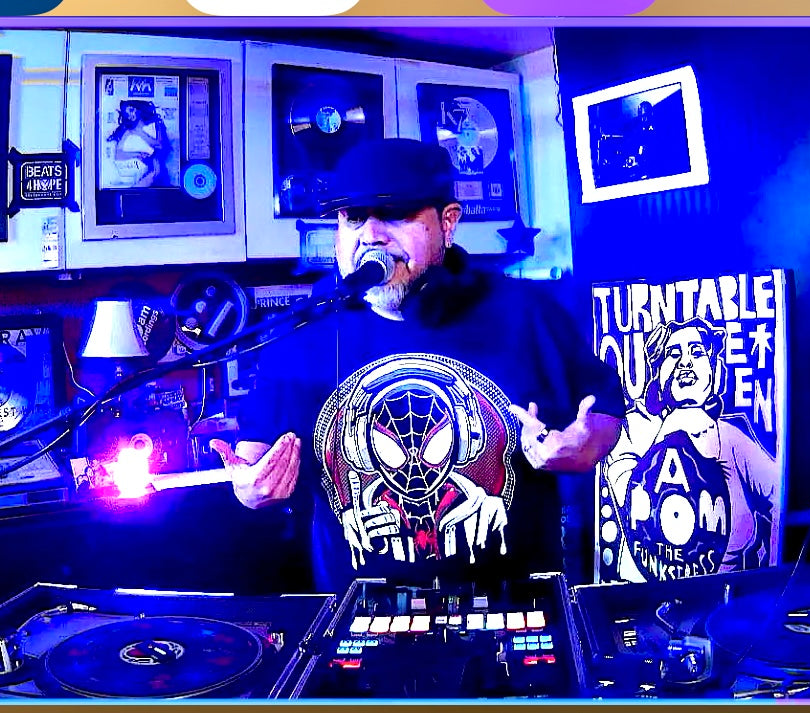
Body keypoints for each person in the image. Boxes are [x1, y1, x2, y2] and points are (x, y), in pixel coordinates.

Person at [211, 138, 625, 594]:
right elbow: (255, 455)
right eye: (353, 218)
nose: (371, 235)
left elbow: (601, 414)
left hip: (515, 606)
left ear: (448, 223)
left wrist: (582, 446)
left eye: (395, 215)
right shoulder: (304, 330)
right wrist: (250, 487)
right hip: (358, 614)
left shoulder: (526, 313)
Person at [602, 317, 781, 582]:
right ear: (658, 372)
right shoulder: (631, 428)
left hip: (721, 601)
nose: (685, 361)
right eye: (674, 353)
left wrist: (768, 577)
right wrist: (674, 428)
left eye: (696, 352)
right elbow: (631, 501)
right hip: (641, 599)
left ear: (713, 371)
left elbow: (778, 499)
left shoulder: (733, 439)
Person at [107, 100, 170, 188]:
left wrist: (140, 133)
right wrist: (137, 155)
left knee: (155, 174)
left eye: (132, 110)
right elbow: (118, 155)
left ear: (139, 108)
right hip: (133, 171)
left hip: (154, 169)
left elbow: (160, 145)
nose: (130, 115)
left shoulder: (156, 124)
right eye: (127, 113)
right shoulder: (128, 130)